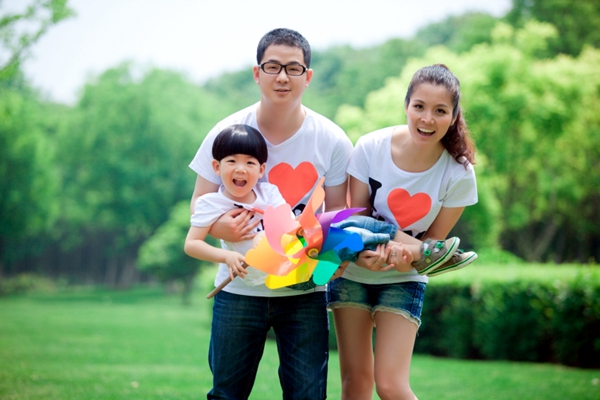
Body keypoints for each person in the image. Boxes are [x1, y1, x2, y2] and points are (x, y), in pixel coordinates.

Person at [188, 28, 353, 400]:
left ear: (308, 76)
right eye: (273, 66)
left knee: (308, 395)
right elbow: (199, 202)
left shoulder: (331, 139)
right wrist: (223, 228)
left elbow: (338, 212)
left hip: (304, 289)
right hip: (239, 289)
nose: (282, 77)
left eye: (293, 68)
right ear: (256, 73)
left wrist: (332, 261)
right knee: (227, 394)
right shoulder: (226, 132)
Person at [328, 64, 478, 400]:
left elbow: (434, 241)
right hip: (352, 272)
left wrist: (408, 256)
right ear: (406, 105)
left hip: (404, 277)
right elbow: (355, 219)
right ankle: (448, 256)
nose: (427, 119)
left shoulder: (459, 173)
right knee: (355, 383)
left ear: (453, 116)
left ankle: (440, 255)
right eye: (419, 106)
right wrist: (368, 256)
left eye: (440, 111)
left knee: (391, 386)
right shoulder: (371, 146)